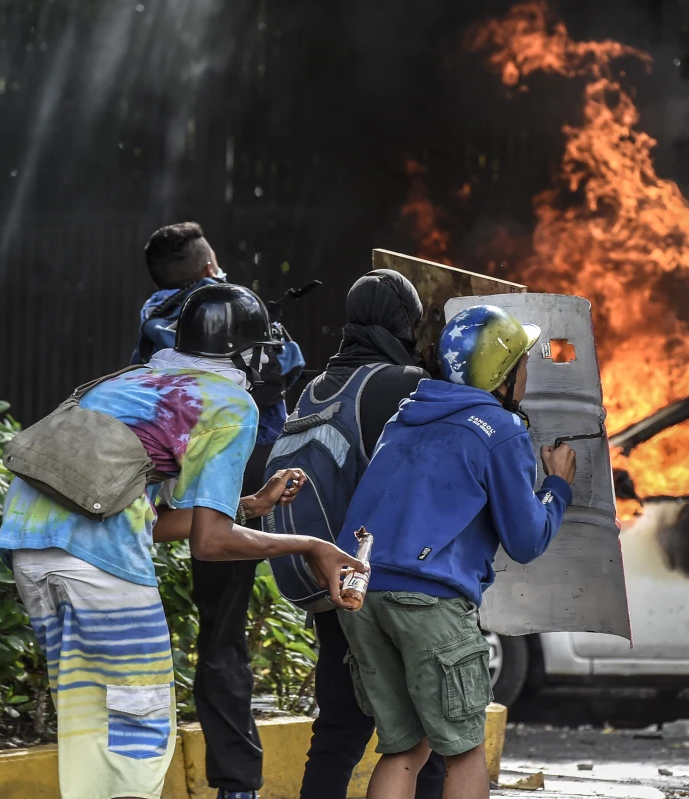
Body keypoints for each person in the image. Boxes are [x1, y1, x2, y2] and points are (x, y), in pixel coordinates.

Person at [0, 284, 363, 799]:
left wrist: (249, 507)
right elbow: (210, 544)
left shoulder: (136, 379)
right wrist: (311, 546)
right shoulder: (230, 401)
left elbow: (144, 516)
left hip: (31, 550)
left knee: (90, 723)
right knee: (138, 726)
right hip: (99, 568)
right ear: (249, 352)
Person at [336, 304, 577, 799]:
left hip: (362, 594)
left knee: (404, 747)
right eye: (523, 363)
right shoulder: (501, 430)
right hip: (427, 602)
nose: (527, 373)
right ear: (503, 376)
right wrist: (557, 486)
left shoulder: (407, 416)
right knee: (464, 751)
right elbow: (526, 540)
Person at [132, 222, 306, 799]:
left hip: (158, 488)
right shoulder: (237, 315)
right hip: (237, 471)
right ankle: (237, 784)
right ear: (210, 270)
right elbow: (289, 369)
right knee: (224, 640)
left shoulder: (153, 325)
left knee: (206, 633)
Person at [268, 269, 446, 799]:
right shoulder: (400, 385)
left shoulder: (315, 388)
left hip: (327, 579)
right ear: (405, 322)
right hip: (385, 579)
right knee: (424, 736)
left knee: (339, 730)